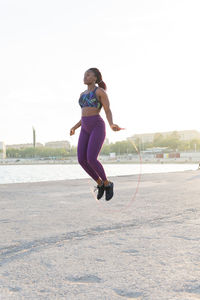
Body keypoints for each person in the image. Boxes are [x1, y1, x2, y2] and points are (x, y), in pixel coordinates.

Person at [70, 68, 122, 201]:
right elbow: (84, 115)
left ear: (95, 78)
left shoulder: (99, 91)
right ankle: (99, 184)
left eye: (88, 75)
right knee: (82, 160)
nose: (85, 77)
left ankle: (107, 183)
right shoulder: (82, 94)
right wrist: (75, 127)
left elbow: (107, 110)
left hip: (97, 126)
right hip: (85, 128)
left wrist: (111, 124)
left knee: (91, 159)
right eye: (84, 75)